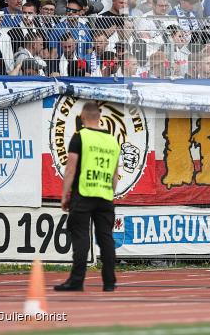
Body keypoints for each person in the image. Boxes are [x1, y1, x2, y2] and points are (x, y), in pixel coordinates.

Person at [55, 102, 120, 293]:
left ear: (83, 117)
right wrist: (110, 194)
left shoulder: (79, 137)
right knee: (106, 239)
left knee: (81, 237)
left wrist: (64, 195)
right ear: (99, 117)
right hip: (105, 195)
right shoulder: (112, 140)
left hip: (83, 194)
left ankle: (77, 281)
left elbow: (70, 169)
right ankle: (109, 282)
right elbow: (115, 174)